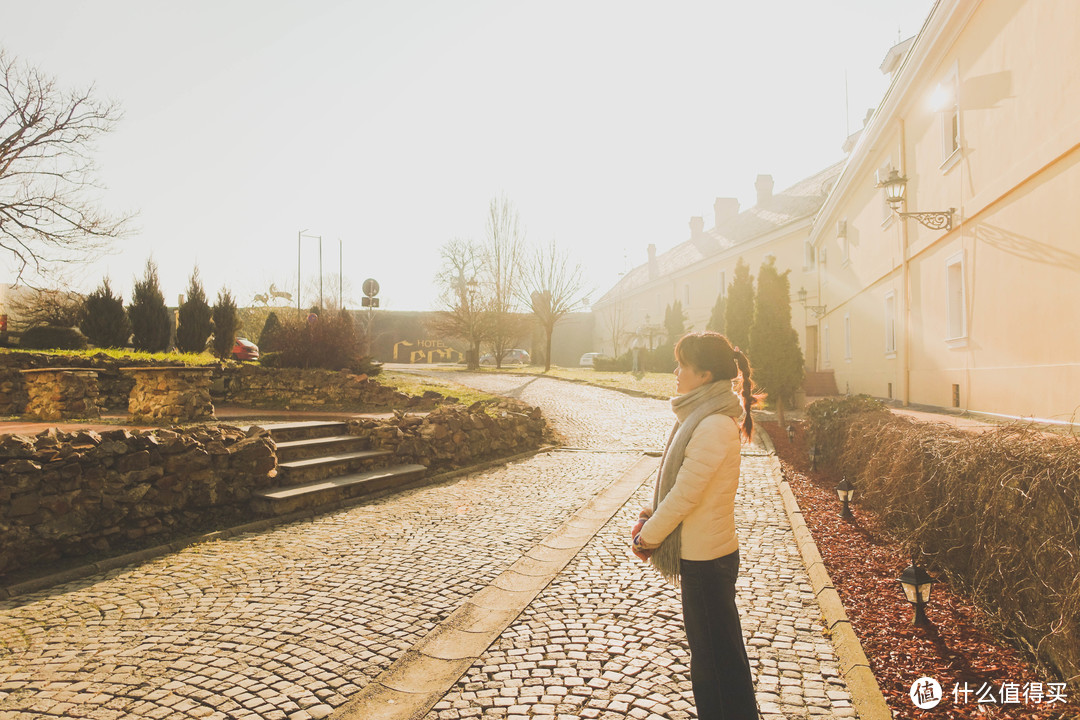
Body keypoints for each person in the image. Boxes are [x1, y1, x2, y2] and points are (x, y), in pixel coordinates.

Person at [631, 331, 761, 720]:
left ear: (704, 375)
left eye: (683, 365)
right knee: (720, 655)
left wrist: (647, 538)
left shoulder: (712, 424)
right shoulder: (704, 417)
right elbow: (685, 487)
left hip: (706, 560)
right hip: (708, 555)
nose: (676, 371)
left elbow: (685, 495)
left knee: (713, 663)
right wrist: (649, 513)